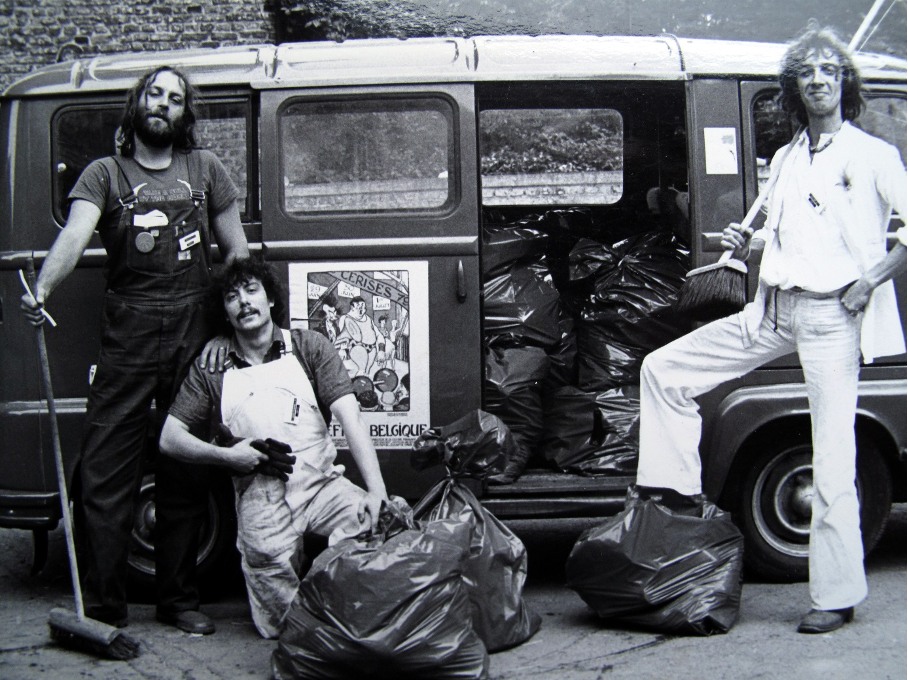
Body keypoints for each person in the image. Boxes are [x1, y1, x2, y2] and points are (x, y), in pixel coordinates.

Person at [635, 22, 906, 634]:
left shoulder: (873, 155)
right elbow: (785, 231)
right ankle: (677, 508)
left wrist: (871, 279)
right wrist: (747, 240)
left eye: (829, 72)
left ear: (845, 84)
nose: (818, 81)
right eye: (806, 72)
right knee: (664, 370)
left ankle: (835, 595)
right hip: (771, 309)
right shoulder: (785, 157)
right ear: (793, 88)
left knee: (833, 458)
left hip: (833, 317)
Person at [20, 66, 249, 634]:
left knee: (185, 464)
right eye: (154, 94)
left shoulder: (207, 170)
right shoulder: (105, 174)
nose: (163, 105)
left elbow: (237, 256)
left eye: (175, 99)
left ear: (183, 114)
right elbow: (74, 235)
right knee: (104, 471)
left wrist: (231, 330)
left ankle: (177, 599)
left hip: (196, 331)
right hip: (129, 334)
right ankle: (103, 609)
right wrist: (44, 286)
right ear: (137, 104)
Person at [159, 257, 390, 639]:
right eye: (232, 297)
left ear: (270, 301)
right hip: (260, 493)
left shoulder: (309, 346)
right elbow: (170, 437)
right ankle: (313, 625)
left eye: (252, 291)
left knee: (376, 523)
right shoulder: (212, 368)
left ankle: (338, 606)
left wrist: (377, 491)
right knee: (282, 617)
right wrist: (228, 456)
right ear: (226, 314)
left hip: (322, 485)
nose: (243, 302)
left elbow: (351, 418)